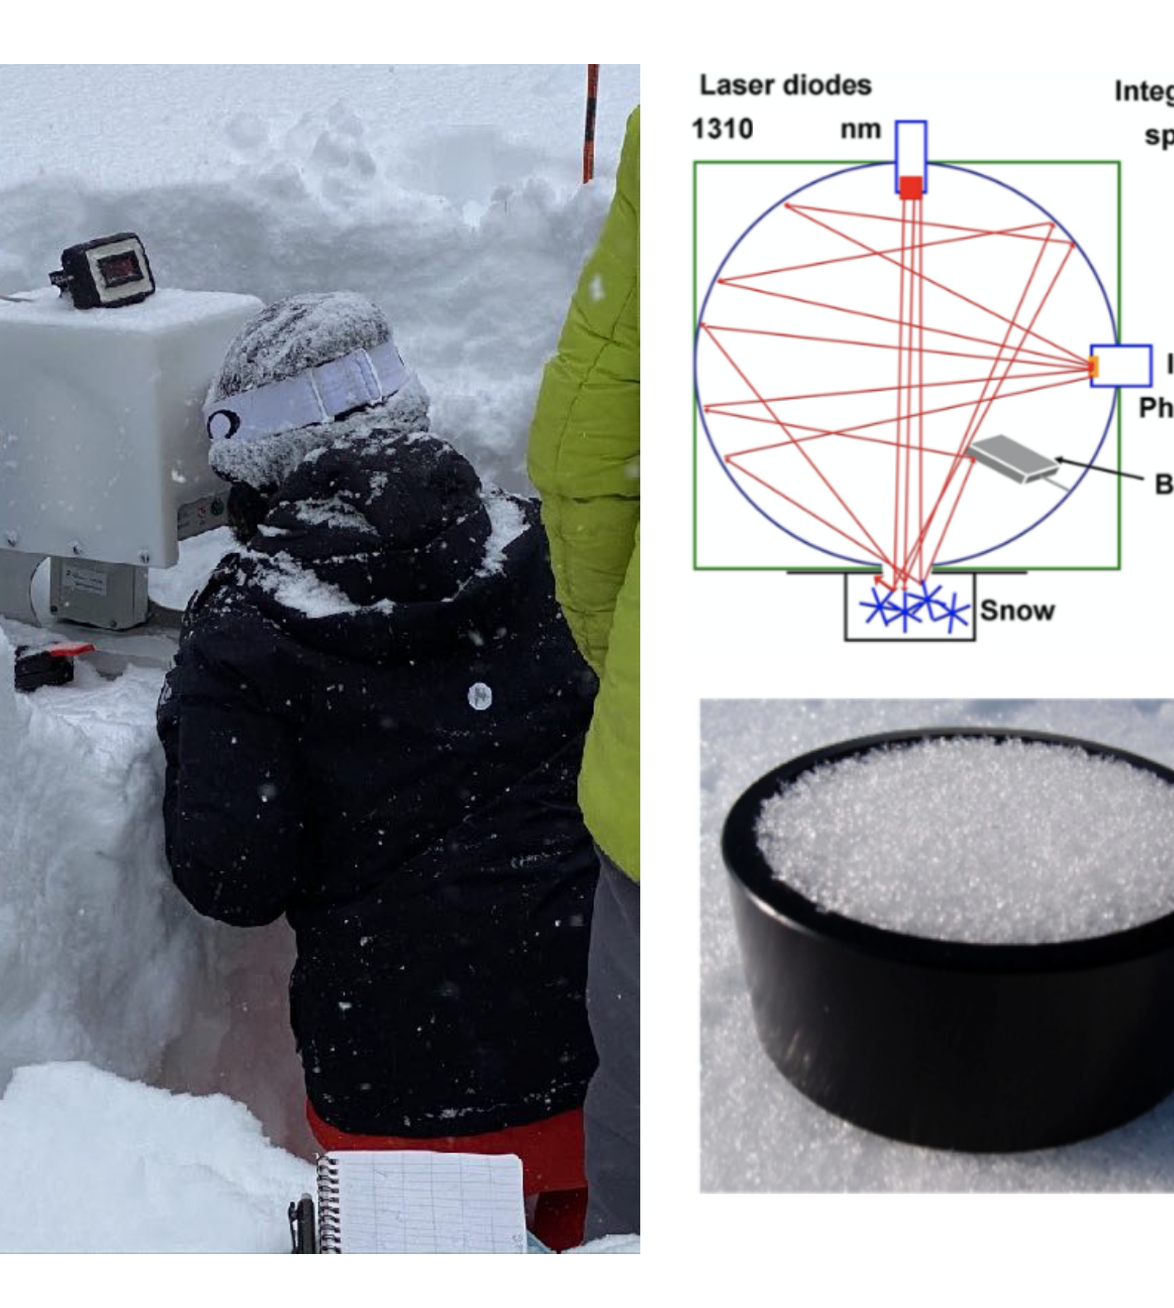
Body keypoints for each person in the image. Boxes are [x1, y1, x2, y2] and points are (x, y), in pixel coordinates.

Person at [157, 291, 600, 1249]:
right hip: (600, 1057)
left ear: (256, 469)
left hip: (402, 1093)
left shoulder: (249, 627)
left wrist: (188, 705)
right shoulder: (545, 547)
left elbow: (231, 877)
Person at [527, 106, 640, 1240]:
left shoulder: (710, 142)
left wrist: (619, 662)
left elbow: (587, 455)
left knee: (652, 1125)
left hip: (674, 803)